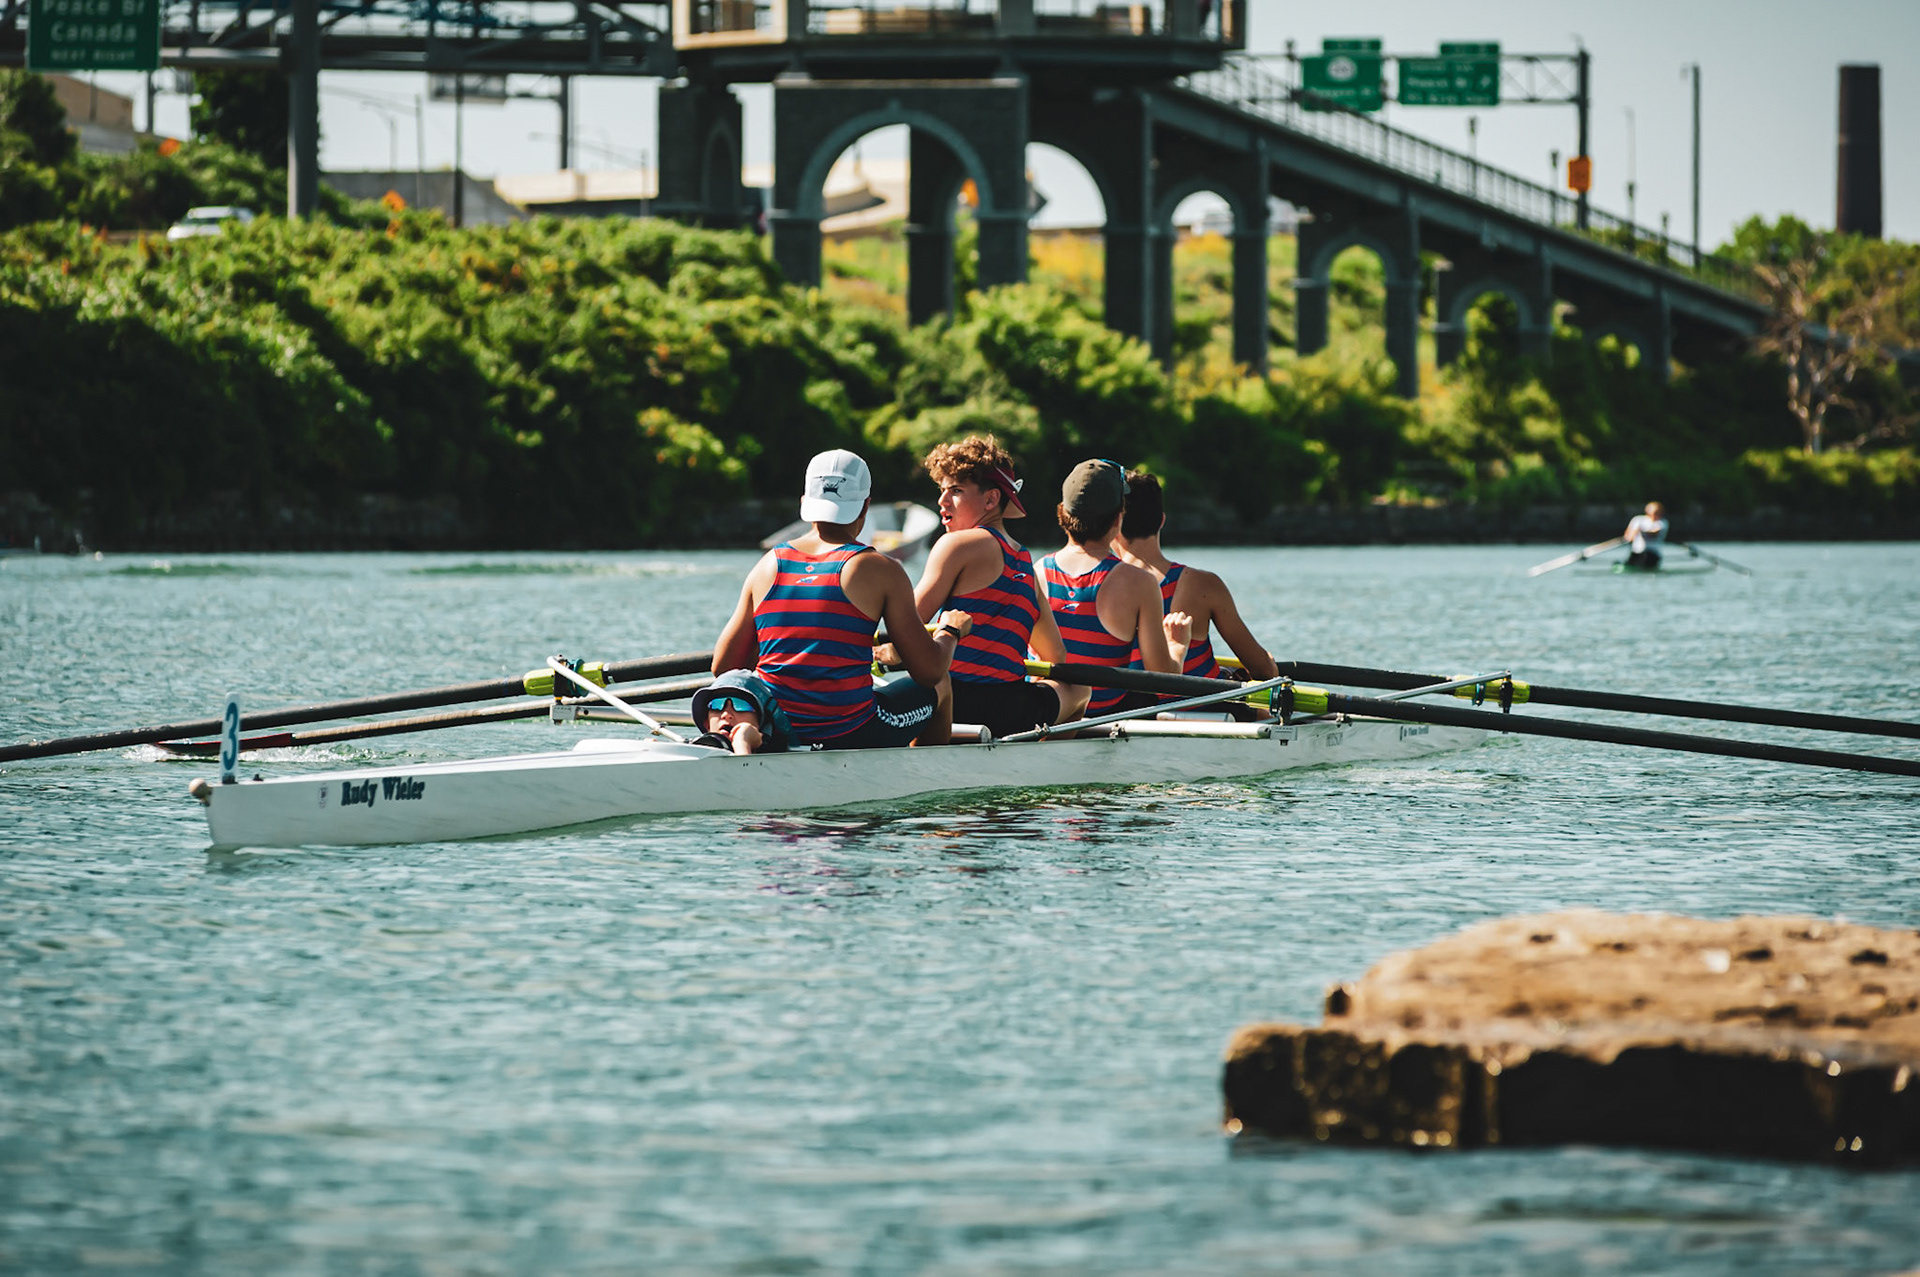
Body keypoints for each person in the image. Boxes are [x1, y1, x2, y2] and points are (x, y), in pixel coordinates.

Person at [713, 449, 973, 748]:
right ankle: (930, 772)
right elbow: (928, 672)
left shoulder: (768, 564)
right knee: (941, 685)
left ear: (804, 502)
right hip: (849, 730)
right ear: (865, 506)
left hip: (776, 727)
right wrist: (950, 631)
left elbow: (725, 668)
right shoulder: (880, 569)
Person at [904, 435, 1089, 739]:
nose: (942, 501)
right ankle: (1043, 756)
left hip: (956, 705)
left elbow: (904, 628)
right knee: (1079, 689)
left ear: (991, 500)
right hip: (1014, 711)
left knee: (925, 684)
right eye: (942, 490)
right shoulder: (1026, 565)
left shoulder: (956, 544)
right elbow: (1055, 655)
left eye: (956, 491)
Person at [1037, 459, 1190, 721]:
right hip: (1103, 717)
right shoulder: (1140, 583)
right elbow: (1163, 679)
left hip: (1049, 712)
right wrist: (1177, 645)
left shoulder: (1037, 571)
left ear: (1062, 512)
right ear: (1119, 519)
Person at [1113, 471, 1279, 687]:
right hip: (1200, 703)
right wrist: (1269, 663)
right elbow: (1263, 670)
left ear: (1114, 524)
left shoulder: (1099, 587)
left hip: (1130, 703)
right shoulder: (1204, 585)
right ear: (1161, 520)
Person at [689, 669, 790, 755]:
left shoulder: (780, 755)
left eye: (741, 705)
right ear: (707, 724)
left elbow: (743, 772)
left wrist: (742, 742)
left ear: (761, 722)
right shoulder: (691, 751)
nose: (726, 715)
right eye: (716, 705)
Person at [1623, 501, 1668, 571]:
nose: (1656, 514)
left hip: (1652, 553)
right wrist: (1631, 535)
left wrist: (1641, 531)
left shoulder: (1662, 522)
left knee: (1645, 560)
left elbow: (1653, 534)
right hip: (1637, 552)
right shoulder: (1638, 519)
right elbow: (1628, 536)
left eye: (1658, 512)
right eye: (1654, 512)